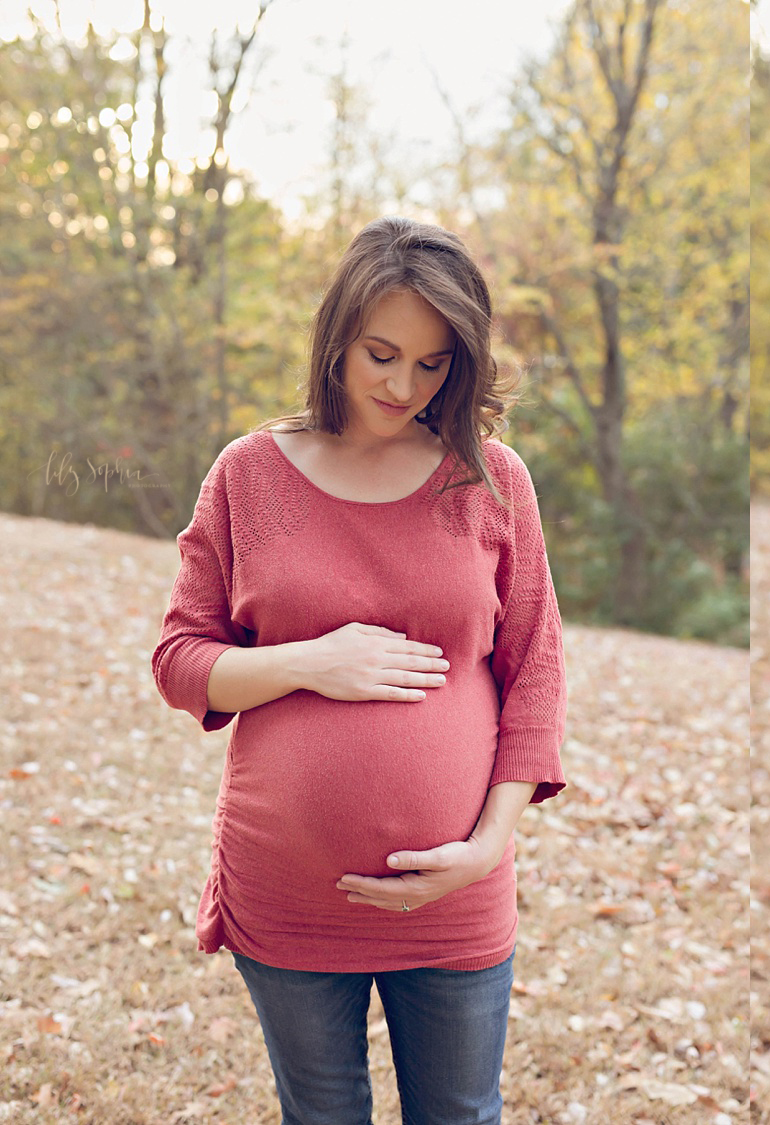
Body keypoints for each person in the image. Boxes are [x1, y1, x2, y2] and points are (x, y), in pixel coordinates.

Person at [152, 216, 567, 1124]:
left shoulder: (490, 480)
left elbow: (534, 672)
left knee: (460, 1113)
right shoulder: (249, 475)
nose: (402, 383)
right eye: (382, 353)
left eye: (432, 364)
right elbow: (182, 661)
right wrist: (310, 660)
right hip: (289, 889)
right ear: (336, 335)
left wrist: (488, 846)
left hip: (455, 891)